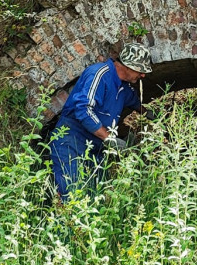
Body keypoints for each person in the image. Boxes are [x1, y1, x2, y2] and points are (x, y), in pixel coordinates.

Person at [49, 42, 153, 201]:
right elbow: (83, 109)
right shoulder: (99, 74)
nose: (143, 75)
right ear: (129, 66)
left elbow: (134, 102)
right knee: (71, 193)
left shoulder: (124, 87)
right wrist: (109, 139)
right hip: (71, 141)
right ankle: (64, 224)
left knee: (95, 197)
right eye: (141, 70)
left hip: (95, 148)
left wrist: (150, 113)